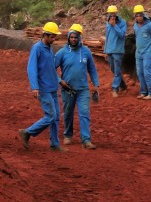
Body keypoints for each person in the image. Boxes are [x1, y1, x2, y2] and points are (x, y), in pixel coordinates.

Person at [19, 22, 62, 151]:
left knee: (56, 117)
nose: (54, 39)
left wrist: (59, 81)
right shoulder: (37, 48)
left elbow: (50, 69)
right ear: (46, 35)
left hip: (53, 87)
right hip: (43, 88)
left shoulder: (49, 48)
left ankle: (55, 144)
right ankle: (27, 132)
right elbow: (31, 68)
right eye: (52, 37)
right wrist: (35, 87)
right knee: (50, 116)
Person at [55, 24, 99, 149]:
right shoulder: (62, 53)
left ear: (79, 38)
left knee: (84, 113)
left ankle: (86, 139)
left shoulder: (86, 52)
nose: (73, 39)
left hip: (83, 89)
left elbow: (92, 69)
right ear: (68, 38)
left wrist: (96, 84)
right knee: (68, 112)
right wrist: (60, 80)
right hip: (67, 89)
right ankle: (68, 135)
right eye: (71, 37)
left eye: (76, 37)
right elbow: (51, 68)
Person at [133, 5, 151, 100]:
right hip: (138, 53)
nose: (138, 17)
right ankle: (143, 92)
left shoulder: (150, 25)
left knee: (148, 73)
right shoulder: (135, 25)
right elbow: (136, 37)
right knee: (140, 72)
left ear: (143, 15)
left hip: (147, 52)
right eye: (137, 16)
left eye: (140, 15)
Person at [104, 5, 128, 98]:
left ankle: (115, 88)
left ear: (116, 13)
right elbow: (107, 36)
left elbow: (122, 35)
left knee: (117, 70)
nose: (112, 15)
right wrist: (105, 50)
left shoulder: (122, 23)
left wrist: (115, 25)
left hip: (118, 50)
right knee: (113, 69)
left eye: (113, 14)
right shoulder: (108, 23)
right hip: (109, 50)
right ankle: (123, 85)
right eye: (111, 14)